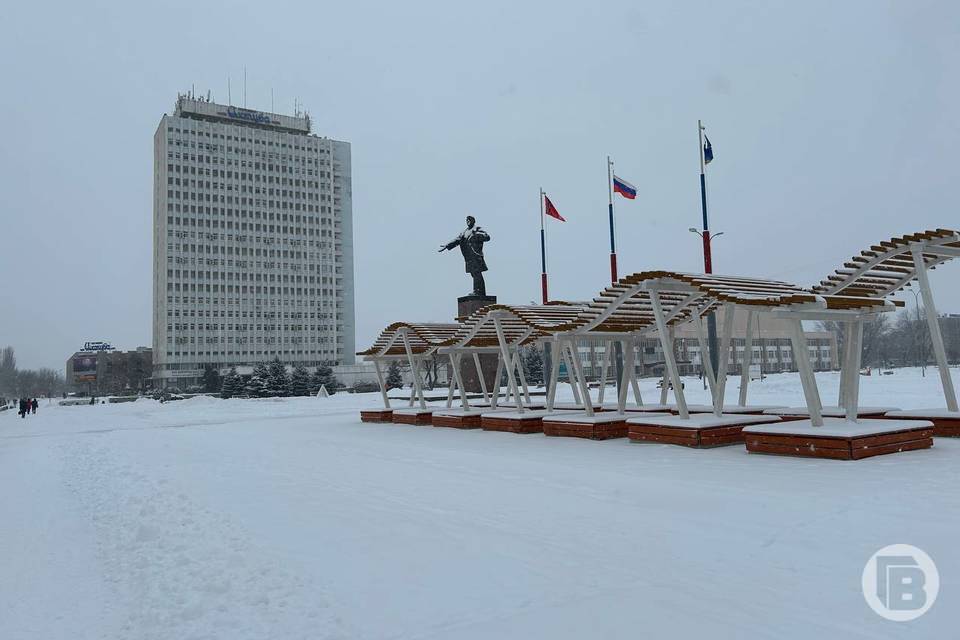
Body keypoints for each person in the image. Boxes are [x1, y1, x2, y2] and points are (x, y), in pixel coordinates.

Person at [439, 215, 491, 296]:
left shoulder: (477, 229)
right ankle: (478, 291)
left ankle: (479, 291)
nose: (468, 222)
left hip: (476, 255)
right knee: (474, 274)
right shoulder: (465, 232)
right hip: (469, 257)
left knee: (477, 273)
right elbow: (457, 240)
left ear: (473, 221)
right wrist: (447, 245)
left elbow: (487, 237)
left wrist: (476, 234)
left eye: (469, 220)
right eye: (467, 221)